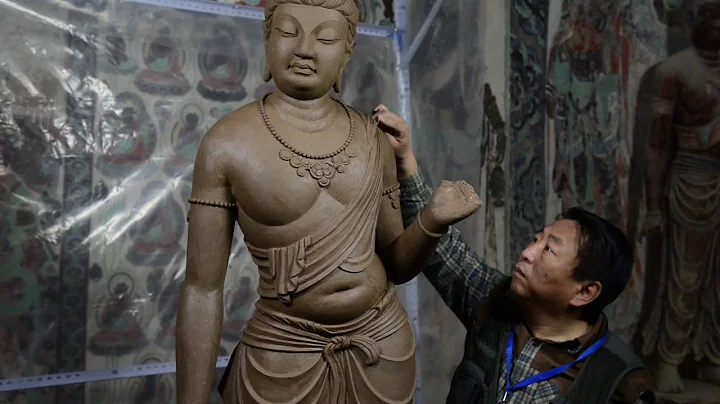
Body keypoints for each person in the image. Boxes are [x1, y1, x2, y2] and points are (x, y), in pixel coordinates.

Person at [372, 104, 656, 403]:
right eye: (536, 239)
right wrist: (404, 158)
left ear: (585, 292)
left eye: (548, 249)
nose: (527, 252)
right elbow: (441, 249)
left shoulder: (618, 384)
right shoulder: (496, 302)